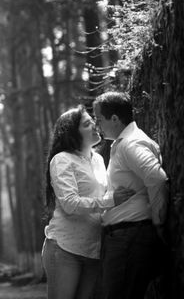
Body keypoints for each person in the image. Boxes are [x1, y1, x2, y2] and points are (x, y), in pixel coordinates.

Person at [42, 105, 134, 299]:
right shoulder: (62, 160)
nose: (94, 125)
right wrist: (110, 201)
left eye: (93, 121)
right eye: (87, 124)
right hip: (65, 248)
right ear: (72, 133)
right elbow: (70, 203)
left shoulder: (99, 160)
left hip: (93, 249)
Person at [93, 91, 169, 299]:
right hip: (125, 238)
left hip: (129, 238)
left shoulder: (130, 144)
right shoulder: (123, 143)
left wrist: (158, 220)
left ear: (115, 119)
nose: (97, 125)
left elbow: (157, 178)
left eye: (99, 119)